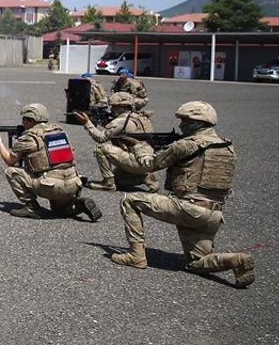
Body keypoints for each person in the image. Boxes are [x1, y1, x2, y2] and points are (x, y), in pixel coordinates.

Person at [108, 101, 255, 288]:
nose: (180, 124)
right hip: (214, 214)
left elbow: (149, 165)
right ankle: (235, 260)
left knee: (129, 200)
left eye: (185, 120)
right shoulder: (226, 146)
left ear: (198, 122)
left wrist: (140, 147)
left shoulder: (186, 145)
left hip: (188, 209)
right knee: (195, 263)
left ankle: (136, 256)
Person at [0, 103, 102, 221]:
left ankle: (32, 207)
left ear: (31, 120)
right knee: (59, 211)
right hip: (73, 184)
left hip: (51, 186)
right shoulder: (59, 131)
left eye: (24, 119)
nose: (23, 122)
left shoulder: (30, 137)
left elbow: (10, 161)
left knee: (11, 172)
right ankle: (78, 205)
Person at [76, 92, 158, 192]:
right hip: (147, 160)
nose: (111, 110)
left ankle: (108, 184)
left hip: (136, 160)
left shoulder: (121, 121)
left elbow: (101, 138)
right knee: (118, 181)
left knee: (101, 149)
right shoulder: (140, 117)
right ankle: (144, 177)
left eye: (114, 107)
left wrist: (87, 123)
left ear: (123, 107)